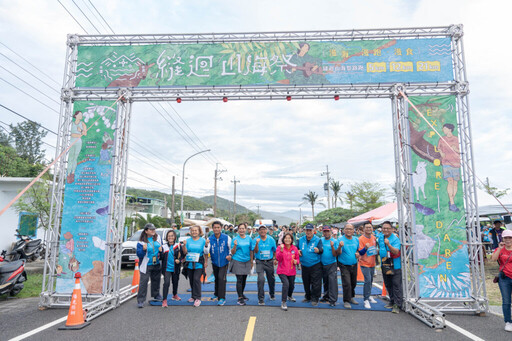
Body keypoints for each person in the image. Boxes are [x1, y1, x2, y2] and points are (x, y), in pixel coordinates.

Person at [377, 221, 403, 314]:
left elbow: (396, 251)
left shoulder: (395, 239)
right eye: (384, 228)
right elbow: (380, 248)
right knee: (388, 284)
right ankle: (392, 301)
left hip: (395, 266)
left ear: (392, 229)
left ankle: (397, 305)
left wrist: (388, 244)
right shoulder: (380, 237)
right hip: (385, 265)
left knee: (396, 285)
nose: (386, 230)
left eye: (388, 228)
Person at [136, 223, 163, 308]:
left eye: (154, 229)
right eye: (151, 229)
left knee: (156, 280)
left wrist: (161, 251)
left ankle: (156, 295)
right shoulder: (141, 242)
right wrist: (143, 250)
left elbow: (161, 249)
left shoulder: (158, 238)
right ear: (146, 231)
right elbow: (139, 255)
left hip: (156, 263)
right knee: (143, 282)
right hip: (146, 264)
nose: (153, 231)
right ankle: (140, 300)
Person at [182, 225, 208, 307]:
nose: (194, 232)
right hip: (189, 263)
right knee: (191, 280)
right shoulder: (188, 240)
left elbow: (206, 252)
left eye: (196, 230)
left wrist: (206, 262)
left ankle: (198, 298)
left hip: (199, 262)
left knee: (196, 279)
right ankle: (193, 296)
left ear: (199, 231)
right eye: (192, 230)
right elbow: (185, 252)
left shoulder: (203, 240)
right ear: (190, 232)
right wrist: (184, 245)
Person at [491, 229, 512, 332]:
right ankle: (508, 322)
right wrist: (499, 249)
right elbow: (493, 259)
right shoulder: (500, 249)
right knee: (506, 301)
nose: (508, 240)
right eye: (506, 238)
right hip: (504, 278)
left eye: (510, 237)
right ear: (502, 238)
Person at [437, 123, 461, 212]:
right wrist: (441, 153)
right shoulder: (442, 139)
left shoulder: (456, 139)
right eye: (443, 129)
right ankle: (452, 203)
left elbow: (461, 151)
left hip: (456, 163)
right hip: (446, 162)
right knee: (450, 181)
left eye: (445, 129)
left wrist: (456, 150)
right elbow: (439, 148)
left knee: (455, 183)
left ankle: (451, 201)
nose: (443, 130)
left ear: (450, 129)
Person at [298, 223, 323, 306]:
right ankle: (307, 296)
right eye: (307, 230)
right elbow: (296, 248)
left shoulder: (318, 239)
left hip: (315, 264)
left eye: (310, 230)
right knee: (306, 282)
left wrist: (318, 250)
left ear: (313, 231)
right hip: (304, 265)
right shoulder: (301, 239)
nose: (308, 232)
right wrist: (297, 251)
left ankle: (315, 298)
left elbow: (321, 249)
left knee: (316, 283)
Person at [229, 223, 253, 305]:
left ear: (245, 229)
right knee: (239, 279)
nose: (242, 230)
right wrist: (235, 245)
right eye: (240, 229)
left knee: (244, 279)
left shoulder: (249, 239)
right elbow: (232, 252)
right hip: (237, 260)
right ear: (238, 230)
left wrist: (252, 261)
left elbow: (251, 250)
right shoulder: (235, 239)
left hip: (247, 261)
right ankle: (239, 297)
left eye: (243, 228)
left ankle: (242, 293)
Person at [252, 225, 277, 305]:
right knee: (261, 279)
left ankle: (272, 294)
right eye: (260, 230)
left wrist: (276, 259)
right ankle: (261, 299)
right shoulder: (256, 239)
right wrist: (257, 243)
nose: (262, 231)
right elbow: (255, 251)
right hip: (260, 262)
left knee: (271, 279)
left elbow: (275, 250)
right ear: (258, 231)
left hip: (269, 262)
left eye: (264, 229)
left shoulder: (271, 239)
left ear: (266, 230)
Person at [337, 223, 360, 309]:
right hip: (344, 265)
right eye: (347, 229)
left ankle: (351, 297)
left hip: (354, 264)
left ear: (353, 230)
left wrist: (358, 253)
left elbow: (358, 250)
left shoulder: (356, 240)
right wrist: (339, 246)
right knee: (347, 283)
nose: (349, 230)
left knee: (353, 282)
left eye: (351, 229)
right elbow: (338, 253)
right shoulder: (340, 240)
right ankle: (346, 300)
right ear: (344, 230)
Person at [209, 221, 232, 306]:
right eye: (215, 227)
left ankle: (222, 298)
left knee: (221, 278)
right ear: (212, 228)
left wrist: (230, 255)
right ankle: (216, 293)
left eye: (218, 227)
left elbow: (231, 248)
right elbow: (206, 250)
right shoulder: (210, 238)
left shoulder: (227, 237)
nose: (216, 229)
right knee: (216, 277)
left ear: (221, 228)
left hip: (224, 262)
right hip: (214, 262)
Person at [276, 233, 300, 311]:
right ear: (283, 239)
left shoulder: (295, 248)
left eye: (289, 238)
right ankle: (283, 302)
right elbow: (278, 258)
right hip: (282, 270)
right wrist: (282, 250)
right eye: (286, 238)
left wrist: (297, 261)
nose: (287, 240)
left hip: (292, 271)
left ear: (292, 240)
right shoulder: (280, 247)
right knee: (286, 284)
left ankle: (289, 296)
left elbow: (297, 259)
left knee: (291, 285)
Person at [358, 222, 378, 309]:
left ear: (372, 228)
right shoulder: (361, 239)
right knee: (367, 280)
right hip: (364, 263)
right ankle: (365, 299)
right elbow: (360, 252)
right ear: (364, 229)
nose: (368, 229)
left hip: (372, 263)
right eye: (367, 227)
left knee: (370, 281)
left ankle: (369, 295)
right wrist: (365, 248)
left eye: (370, 227)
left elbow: (374, 250)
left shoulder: (374, 238)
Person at [319, 226, 339, 307]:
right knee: (325, 281)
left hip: (332, 264)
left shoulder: (334, 241)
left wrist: (332, 246)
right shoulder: (320, 240)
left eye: (328, 231)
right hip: (322, 264)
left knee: (332, 282)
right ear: (322, 232)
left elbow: (335, 254)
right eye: (325, 231)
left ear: (331, 232)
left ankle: (333, 300)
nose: (326, 233)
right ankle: (326, 296)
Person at [161, 230, 181, 307]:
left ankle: (175, 294)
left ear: (175, 237)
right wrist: (160, 252)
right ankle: (164, 300)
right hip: (166, 268)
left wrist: (179, 260)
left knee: (175, 282)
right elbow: (161, 258)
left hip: (176, 268)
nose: (170, 237)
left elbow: (182, 256)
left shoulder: (178, 245)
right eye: (169, 236)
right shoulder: (163, 246)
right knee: (166, 283)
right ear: (167, 237)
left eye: (172, 236)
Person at [67, 110, 87, 184]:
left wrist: (80, 130)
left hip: (78, 141)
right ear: (76, 116)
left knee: (75, 157)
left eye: (81, 115)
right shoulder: (71, 124)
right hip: (72, 140)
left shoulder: (82, 124)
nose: (81, 116)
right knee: (70, 158)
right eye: (80, 114)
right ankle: (68, 174)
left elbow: (85, 133)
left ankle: (73, 173)